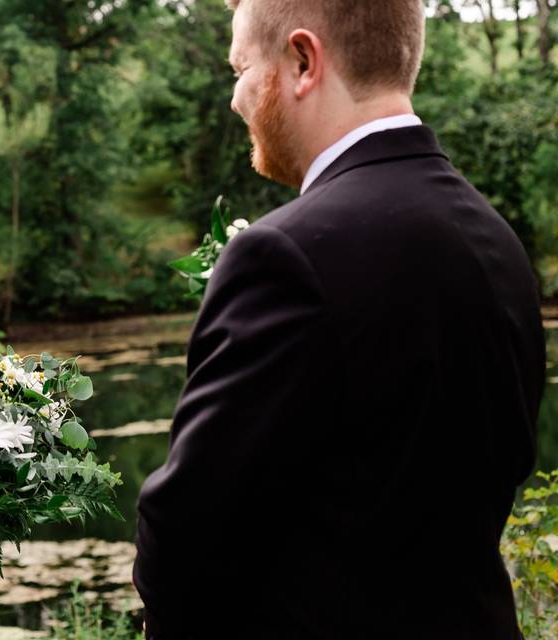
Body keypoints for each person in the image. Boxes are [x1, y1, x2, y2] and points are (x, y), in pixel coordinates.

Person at [133, 2, 545, 638]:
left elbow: (187, 534)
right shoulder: (495, 239)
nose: (236, 100)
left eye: (241, 69)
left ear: (303, 60)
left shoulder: (284, 254)